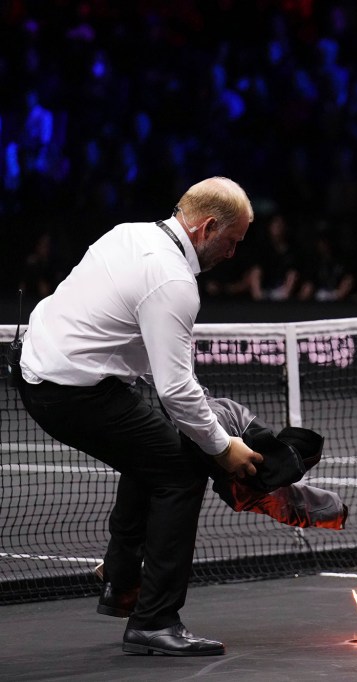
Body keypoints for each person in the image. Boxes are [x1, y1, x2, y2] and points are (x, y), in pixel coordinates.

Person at [14, 176, 264, 656]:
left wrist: (200, 421)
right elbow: (175, 391)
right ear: (207, 228)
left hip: (44, 371)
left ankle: (120, 581)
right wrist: (224, 446)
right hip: (71, 392)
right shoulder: (173, 281)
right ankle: (154, 620)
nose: (233, 254)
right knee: (181, 471)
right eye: (232, 242)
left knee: (155, 450)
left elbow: (162, 377)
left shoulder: (128, 233)